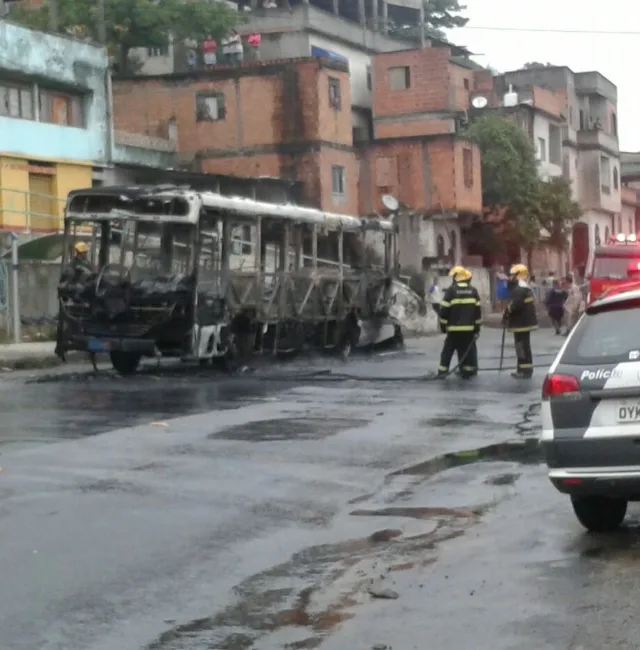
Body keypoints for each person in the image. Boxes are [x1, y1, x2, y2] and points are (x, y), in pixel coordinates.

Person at [437, 266, 482, 379]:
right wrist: (477, 329)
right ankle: (468, 371)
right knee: (467, 350)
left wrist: (443, 326)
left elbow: (444, 311)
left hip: (453, 329)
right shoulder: (473, 291)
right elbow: (477, 313)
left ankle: (442, 372)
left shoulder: (451, 291)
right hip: (469, 330)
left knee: (448, 351)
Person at [502, 263, 537, 379]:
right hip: (524, 322)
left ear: (518, 275)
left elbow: (514, 305)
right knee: (524, 346)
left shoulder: (519, 289)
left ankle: (524, 370)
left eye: (512, 275)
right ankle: (525, 369)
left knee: (521, 346)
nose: (510, 277)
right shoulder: (524, 287)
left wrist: (506, 314)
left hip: (521, 323)